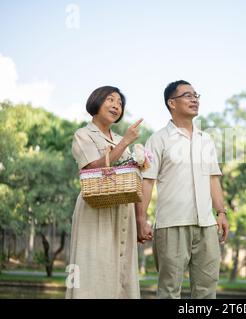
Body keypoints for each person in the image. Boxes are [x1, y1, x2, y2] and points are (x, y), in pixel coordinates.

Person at [140, 80, 229, 299]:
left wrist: (221, 212)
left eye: (196, 95)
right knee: (169, 290)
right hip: (172, 224)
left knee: (207, 290)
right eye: (187, 95)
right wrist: (141, 219)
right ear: (171, 103)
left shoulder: (205, 139)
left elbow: (213, 179)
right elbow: (147, 182)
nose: (194, 99)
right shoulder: (158, 139)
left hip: (206, 225)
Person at [66, 86, 151, 299]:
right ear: (96, 102)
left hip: (124, 210)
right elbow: (92, 169)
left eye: (120, 103)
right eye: (110, 99)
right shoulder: (83, 135)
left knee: (122, 274)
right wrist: (125, 143)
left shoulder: (120, 138)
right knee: (93, 269)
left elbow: (135, 180)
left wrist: (142, 220)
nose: (116, 105)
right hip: (95, 211)